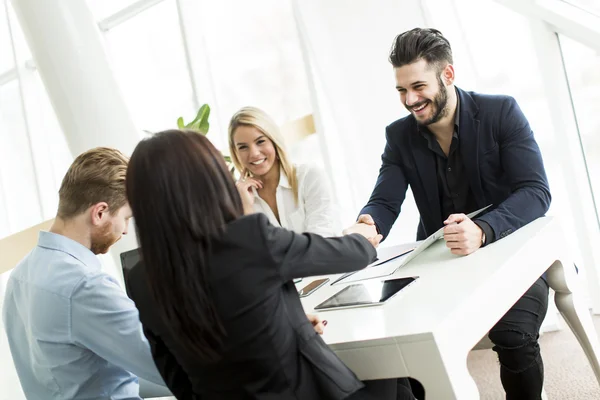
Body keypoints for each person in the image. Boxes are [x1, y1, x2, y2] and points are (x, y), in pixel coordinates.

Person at [124, 129, 415, 399]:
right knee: (397, 373)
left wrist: (290, 323)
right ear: (206, 181)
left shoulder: (140, 279)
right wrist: (363, 235)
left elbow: (177, 378)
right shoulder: (246, 238)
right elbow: (348, 255)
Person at [350, 28, 551, 399]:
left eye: (418, 87)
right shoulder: (398, 137)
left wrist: (484, 229)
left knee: (513, 336)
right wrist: (367, 225)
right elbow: (385, 201)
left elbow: (536, 192)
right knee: (392, 340)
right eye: (401, 90)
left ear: (448, 75)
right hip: (438, 261)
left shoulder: (501, 111)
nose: (410, 100)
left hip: (508, 248)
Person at [2, 148, 167, 399]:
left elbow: (96, 373)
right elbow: (165, 364)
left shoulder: (20, 274)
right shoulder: (85, 286)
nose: (124, 231)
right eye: (126, 217)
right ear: (100, 213)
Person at [229, 106, 338, 237]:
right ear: (235, 152)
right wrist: (246, 209)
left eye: (260, 141)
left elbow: (321, 240)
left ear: (274, 140)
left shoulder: (309, 177)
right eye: (243, 147)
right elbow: (252, 253)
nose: (254, 153)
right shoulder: (240, 199)